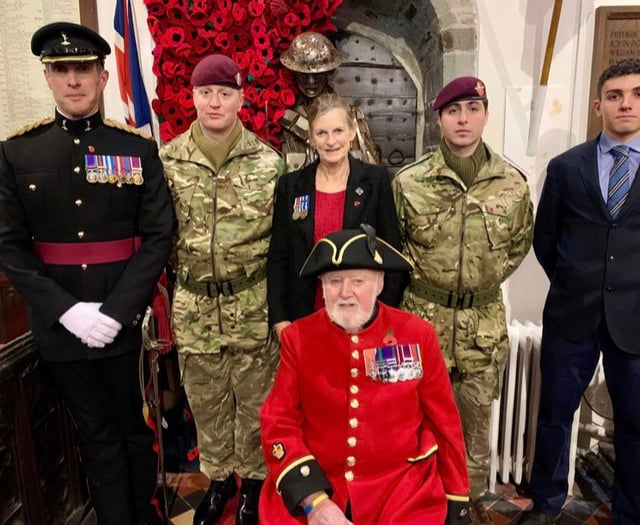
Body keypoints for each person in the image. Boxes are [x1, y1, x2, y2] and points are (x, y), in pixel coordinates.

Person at [0, 22, 174, 525]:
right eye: (62, 70)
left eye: (83, 70)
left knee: (136, 434)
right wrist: (68, 311)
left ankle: (145, 515)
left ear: (101, 77)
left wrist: (119, 311)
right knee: (95, 437)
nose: (73, 80)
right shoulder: (18, 152)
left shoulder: (137, 149)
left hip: (122, 321)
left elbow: (158, 234)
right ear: (48, 78)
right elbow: (9, 247)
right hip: (62, 326)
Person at [260, 224, 471, 525]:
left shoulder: (417, 334)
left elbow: (445, 424)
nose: (345, 293)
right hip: (319, 482)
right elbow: (278, 421)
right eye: (334, 281)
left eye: (358, 280)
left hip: (402, 490)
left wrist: (457, 500)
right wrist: (314, 502)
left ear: (380, 282)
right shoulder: (299, 338)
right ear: (321, 285)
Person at [392, 76, 534, 524]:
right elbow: (397, 249)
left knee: (473, 428)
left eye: (473, 108)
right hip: (421, 321)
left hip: (482, 324)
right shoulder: (410, 183)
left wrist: (477, 285)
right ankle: (417, 502)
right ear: (439, 120)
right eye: (454, 111)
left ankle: (466, 502)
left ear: (486, 114)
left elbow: (518, 246)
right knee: (415, 421)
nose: (464, 119)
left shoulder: (512, 184)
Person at [159, 54, 284, 525]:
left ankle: (251, 486)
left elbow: (280, 243)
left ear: (240, 99)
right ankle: (217, 481)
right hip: (194, 304)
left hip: (250, 303)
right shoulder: (169, 160)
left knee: (253, 402)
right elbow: (158, 233)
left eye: (225, 93)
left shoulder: (268, 163)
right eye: (206, 92)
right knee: (206, 401)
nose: (215, 102)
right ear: (192, 96)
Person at [515, 58, 640, 525]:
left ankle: (629, 510)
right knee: (554, 415)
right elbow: (545, 238)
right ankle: (547, 502)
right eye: (614, 95)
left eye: (635, 93)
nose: (625, 103)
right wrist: (574, 279)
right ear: (598, 106)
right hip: (573, 314)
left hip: (635, 318)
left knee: (635, 424)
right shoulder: (567, 168)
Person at [267, 92, 405, 340]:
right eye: (322, 133)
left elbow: (391, 255)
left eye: (338, 131)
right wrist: (281, 319)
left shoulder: (376, 181)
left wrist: (382, 316)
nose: (331, 141)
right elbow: (279, 257)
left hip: (362, 319)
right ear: (311, 137)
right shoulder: (291, 186)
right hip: (305, 319)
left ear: (352, 132)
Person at [280, 31, 380, 170]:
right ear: (295, 74)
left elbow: (371, 172)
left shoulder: (353, 117)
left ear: (327, 72)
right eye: (304, 75)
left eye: (317, 75)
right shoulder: (283, 121)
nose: (311, 81)